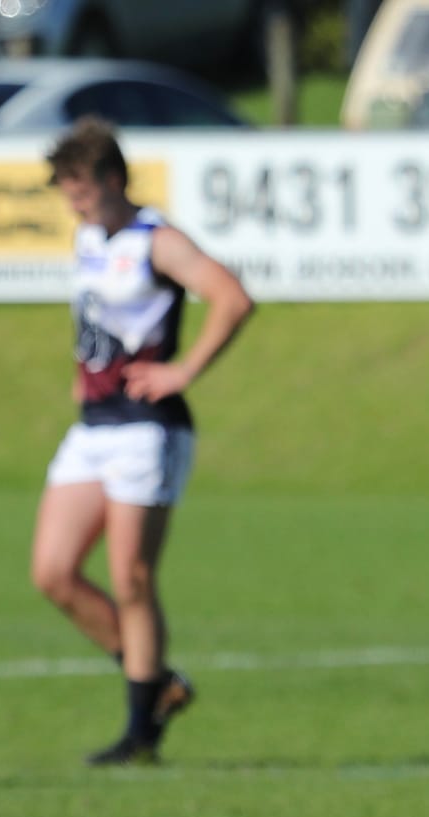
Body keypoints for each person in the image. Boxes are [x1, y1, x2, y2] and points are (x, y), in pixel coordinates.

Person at [31, 117, 255, 766]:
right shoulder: (88, 238)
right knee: (53, 573)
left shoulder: (157, 240)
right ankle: (158, 682)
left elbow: (232, 298)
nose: (73, 204)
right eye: (67, 192)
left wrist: (182, 370)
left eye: (81, 190)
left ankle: (140, 734)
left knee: (131, 578)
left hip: (147, 428)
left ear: (113, 180)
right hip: (93, 426)